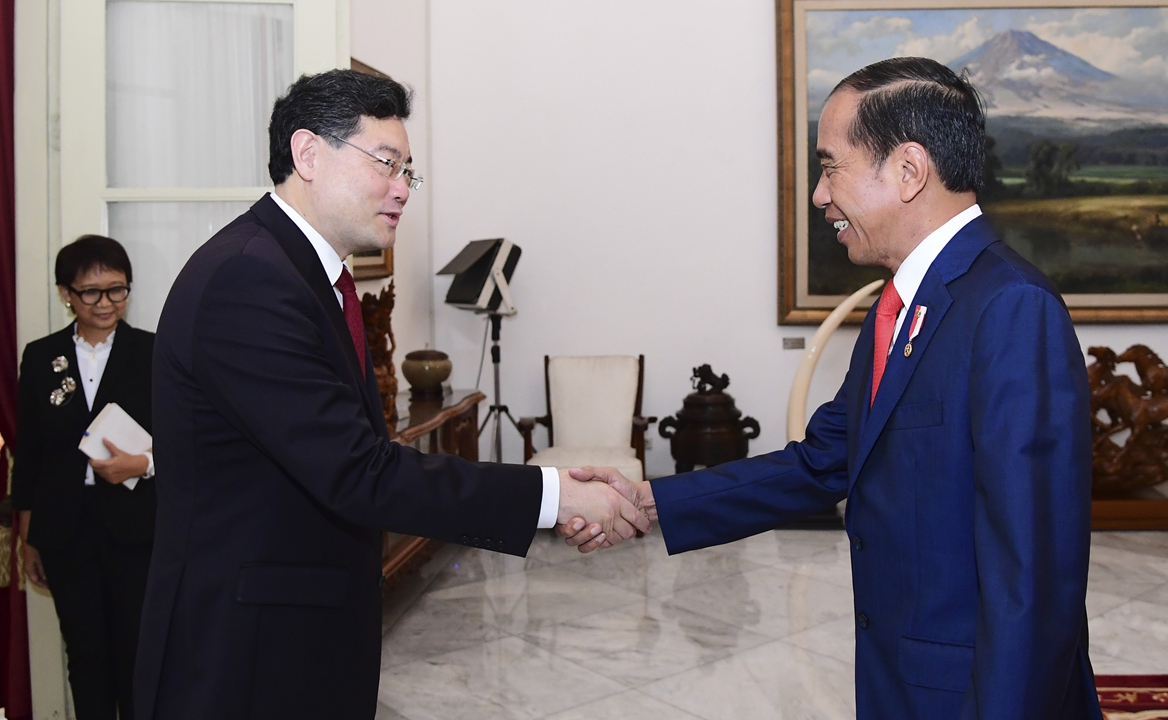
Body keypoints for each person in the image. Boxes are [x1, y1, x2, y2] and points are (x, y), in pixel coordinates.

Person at [563, 57, 1101, 719]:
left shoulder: (1011, 308)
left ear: (907, 170)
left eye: (829, 165)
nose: (820, 196)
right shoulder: (900, 306)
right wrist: (649, 504)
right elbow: (822, 461)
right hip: (901, 683)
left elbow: (1035, 577)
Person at [133, 69, 647, 720]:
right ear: (308, 154)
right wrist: (555, 495)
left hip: (295, 639)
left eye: (410, 172)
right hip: (244, 657)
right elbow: (359, 471)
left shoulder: (299, 275)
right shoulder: (249, 280)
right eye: (387, 163)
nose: (403, 189)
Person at [12, 235, 157, 720]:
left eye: (117, 290)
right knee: (86, 651)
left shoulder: (154, 353)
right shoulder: (39, 357)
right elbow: (28, 454)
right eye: (91, 292)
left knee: (135, 653)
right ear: (66, 293)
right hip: (65, 530)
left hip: (136, 527)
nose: (107, 303)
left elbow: (188, 441)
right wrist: (29, 536)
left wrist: (144, 464)